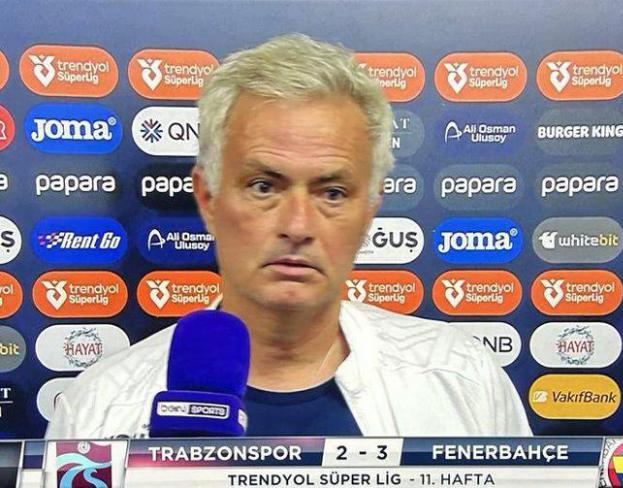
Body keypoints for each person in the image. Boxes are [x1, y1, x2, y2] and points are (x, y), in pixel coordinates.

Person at [46, 34, 531, 438]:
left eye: (332, 193)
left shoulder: (463, 380)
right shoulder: (99, 409)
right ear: (208, 199)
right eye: (264, 186)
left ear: (369, 211)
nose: (297, 226)